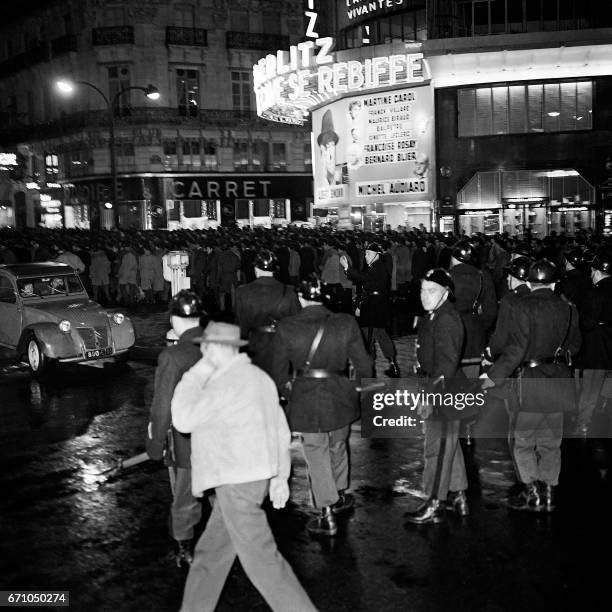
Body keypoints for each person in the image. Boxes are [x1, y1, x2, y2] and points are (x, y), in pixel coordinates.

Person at [171, 322, 316, 612]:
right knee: (211, 555)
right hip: (249, 481)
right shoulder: (258, 378)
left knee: (264, 564)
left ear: (219, 348)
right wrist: (280, 476)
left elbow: (183, 419)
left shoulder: (222, 383)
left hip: (236, 484)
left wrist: (194, 373)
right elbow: (279, 430)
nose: (202, 351)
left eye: (206, 346)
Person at [271, 278, 372, 536]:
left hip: (306, 396)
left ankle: (326, 511)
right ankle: (339, 493)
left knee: (316, 450)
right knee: (339, 443)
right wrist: (358, 389)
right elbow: (364, 365)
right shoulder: (346, 322)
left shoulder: (287, 327)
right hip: (341, 394)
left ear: (301, 298)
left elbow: (279, 372)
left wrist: (287, 391)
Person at [481, 260, 581, 512]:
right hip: (559, 381)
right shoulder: (569, 308)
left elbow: (515, 351)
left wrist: (491, 377)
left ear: (528, 282)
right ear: (555, 282)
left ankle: (532, 491)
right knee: (551, 442)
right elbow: (575, 345)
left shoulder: (522, 307)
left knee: (524, 442)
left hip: (531, 383)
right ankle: (549, 493)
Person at [405, 269, 473, 525]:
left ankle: (435, 502)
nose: (424, 295)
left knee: (437, 450)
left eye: (431, 290)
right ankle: (459, 496)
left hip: (444, 393)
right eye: (423, 289)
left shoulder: (446, 319)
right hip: (439, 388)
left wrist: (429, 397)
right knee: (449, 448)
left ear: (446, 293)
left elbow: (446, 365)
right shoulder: (434, 315)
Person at [145, 290, 206, 566]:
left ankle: (185, 548)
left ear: (173, 318)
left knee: (184, 494)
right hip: (223, 435)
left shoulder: (173, 356)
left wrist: (155, 444)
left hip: (188, 440)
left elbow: (162, 406)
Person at [234, 249, 300, 375]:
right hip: (282, 344)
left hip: (254, 344)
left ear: (256, 269)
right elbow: (296, 323)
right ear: (274, 270)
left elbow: (241, 324)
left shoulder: (243, 292)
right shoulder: (289, 292)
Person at [340, 242, 400, 378]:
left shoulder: (377, 267)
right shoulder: (374, 267)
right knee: (382, 336)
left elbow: (361, 278)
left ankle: (368, 370)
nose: (365, 256)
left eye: (368, 254)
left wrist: (347, 267)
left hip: (373, 306)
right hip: (377, 305)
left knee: (367, 337)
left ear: (376, 255)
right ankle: (393, 365)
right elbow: (361, 279)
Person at [574, 250, 612, 436]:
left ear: (596, 272)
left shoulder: (594, 294)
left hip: (596, 347)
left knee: (590, 387)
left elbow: (586, 322)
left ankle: (584, 422)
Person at [449, 240, 497, 378]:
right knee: (472, 378)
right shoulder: (483, 276)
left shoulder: (447, 276)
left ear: (454, 258)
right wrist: (479, 323)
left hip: (450, 331)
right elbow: (491, 311)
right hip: (475, 333)